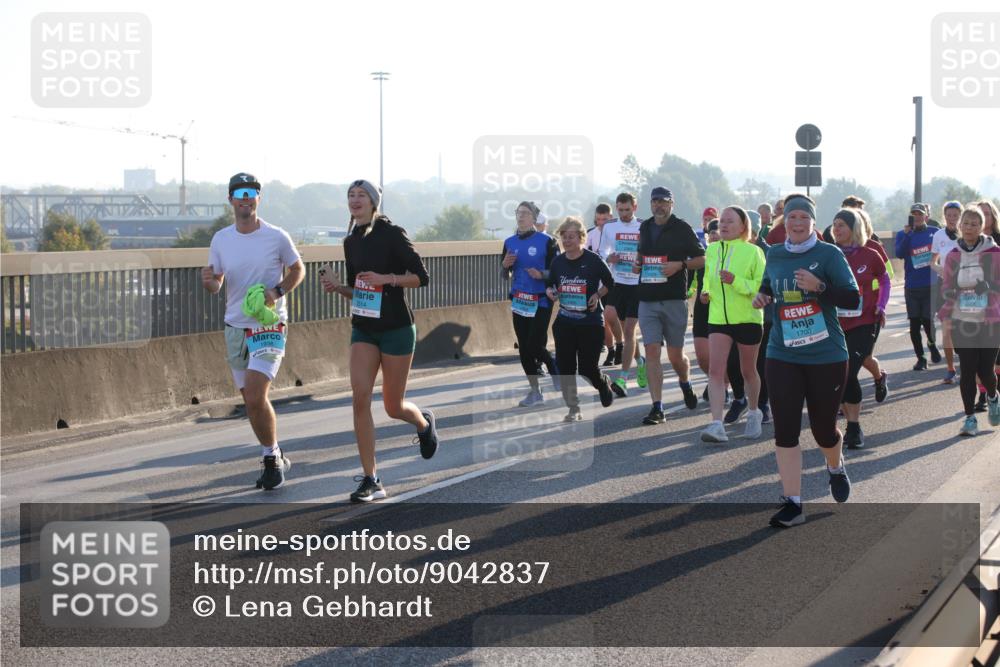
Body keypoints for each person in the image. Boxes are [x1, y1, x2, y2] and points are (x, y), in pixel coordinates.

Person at [320, 179, 438, 503]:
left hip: (397, 327)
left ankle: (423, 423)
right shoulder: (350, 241)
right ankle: (371, 478)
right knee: (360, 398)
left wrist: (388, 279)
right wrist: (337, 287)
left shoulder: (392, 234)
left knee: (392, 406)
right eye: (350, 195)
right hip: (364, 328)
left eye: (361, 195)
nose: (354, 200)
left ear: (374, 203)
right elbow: (358, 290)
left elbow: (421, 277)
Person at [752, 193, 860, 528]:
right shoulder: (776, 254)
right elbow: (769, 287)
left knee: (823, 430)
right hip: (782, 352)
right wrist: (762, 296)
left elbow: (852, 297)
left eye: (804, 218)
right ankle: (793, 503)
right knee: (785, 430)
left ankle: (834, 465)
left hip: (826, 354)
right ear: (785, 222)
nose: (797, 224)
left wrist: (820, 287)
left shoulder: (828, 254)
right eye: (792, 218)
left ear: (813, 222)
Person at [203, 172, 305, 491]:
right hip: (235, 326)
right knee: (250, 401)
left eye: (252, 192)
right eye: (240, 192)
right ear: (231, 199)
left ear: (259, 198)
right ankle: (274, 451)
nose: (246, 197)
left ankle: (271, 462)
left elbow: (298, 269)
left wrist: (276, 292)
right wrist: (210, 283)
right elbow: (217, 282)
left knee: (257, 393)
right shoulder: (221, 239)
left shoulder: (276, 236)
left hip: (269, 325)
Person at [634, 186, 704, 424]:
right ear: (650, 204)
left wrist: (680, 265)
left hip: (674, 299)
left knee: (675, 355)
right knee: (651, 351)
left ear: (672, 204)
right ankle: (657, 407)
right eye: (655, 202)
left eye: (663, 201)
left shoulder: (682, 228)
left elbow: (702, 258)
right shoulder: (644, 227)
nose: (658, 206)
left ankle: (685, 382)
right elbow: (641, 255)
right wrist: (637, 263)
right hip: (647, 299)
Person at [699, 206, 766, 442]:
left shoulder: (754, 252)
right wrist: (705, 292)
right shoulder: (712, 249)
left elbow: (760, 286)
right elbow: (708, 277)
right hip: (718, 318)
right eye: (721, 222)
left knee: (748, 370)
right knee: (716, 371)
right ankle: (716, 424)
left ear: (743, 227)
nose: (724, 225)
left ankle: (755, 412)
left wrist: (735, 281)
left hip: (747, 318)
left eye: (730, 221)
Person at [545, 217, 617, 421]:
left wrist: (597, 295)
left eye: (571, 237)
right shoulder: (558, 262)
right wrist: (550, 291)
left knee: (587, 369)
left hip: (590, 323)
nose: (566, 241)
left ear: (581, 238)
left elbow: (610, 282)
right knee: (566, 368)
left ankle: (602, 383)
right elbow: (550, 284)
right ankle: (573, 408)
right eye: (563, 237)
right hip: (565, 322)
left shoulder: (593, 260)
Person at [937, 205, 1000, 435]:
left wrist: (990, 286)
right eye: (966, 223)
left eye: (975, 224)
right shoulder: (953, 255)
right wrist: (950, 293)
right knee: (968, 369)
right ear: (959, 226)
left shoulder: (994, 253)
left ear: (982, 226)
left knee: (985, 370)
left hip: (990, 319)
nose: (969, 228)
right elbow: (945, 285)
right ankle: (969, 418)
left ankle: (993, 396)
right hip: (962, 317)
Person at [831, 208, 889, 449]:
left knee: (848, 371)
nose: (836, 229)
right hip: (836, 323)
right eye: (834, 224)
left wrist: (881, 305)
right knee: (839, 373)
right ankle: (878, 378)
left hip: (865, 320)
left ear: (854, 228)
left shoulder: (870, 254)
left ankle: (853, 427)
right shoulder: (829, 255)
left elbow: (885, 279)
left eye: (841, 225)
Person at [501, 201, 559, 406]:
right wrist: (505, 266)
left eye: (525, 213)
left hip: (541, 300)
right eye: (518, 212)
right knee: (524, 349)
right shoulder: (509, 242)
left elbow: (558, 272)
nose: (521, 216)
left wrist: (541, 274)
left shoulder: (547, 241)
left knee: (535, 344)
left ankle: (553, 365)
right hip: (519, 300)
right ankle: (536, 392)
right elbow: (504, 274)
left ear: (534, 218)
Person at [598, 192, 646, 396]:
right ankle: (639, 360)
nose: (624, 213)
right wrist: (611, 258)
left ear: (634, 208)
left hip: (636, 284)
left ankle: (623, 378)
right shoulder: (610, 227)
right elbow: (602, 253)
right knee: (611, 317)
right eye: (620, 209)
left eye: (628, 209)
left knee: (629, 333)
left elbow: (651, 253)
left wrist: (640, 262)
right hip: (617, 283)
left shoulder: (643, 226)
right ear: (616, 208)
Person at [896, 202, 941, 370]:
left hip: (930, 284)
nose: (917, 217)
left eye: (920, 214)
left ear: (926, 217)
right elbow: (899, 254)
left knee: (928, 321)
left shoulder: (934, 233)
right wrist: (908, 235)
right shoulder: (903, 234)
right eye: (914, 214)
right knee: (914, 324)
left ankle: (932, 343)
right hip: (912, 286)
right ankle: (920, 358)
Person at [857, 208, 893, 402]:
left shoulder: (874, 248)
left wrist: (879, 302)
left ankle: (879, 377)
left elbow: (888, 277)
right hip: (844, 314)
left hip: (870, 310)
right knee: (844, 359)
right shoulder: (836, 249)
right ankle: (845, 399)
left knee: (863, 357)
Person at [932, 201, 963, 384]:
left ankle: (963, 355)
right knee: (946, 330)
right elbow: (932, 262)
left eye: (956, 215)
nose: (952, 219)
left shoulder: (968, 235)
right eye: (949, 215)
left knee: (962, 330)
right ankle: (950, 369)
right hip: (944, 287)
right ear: (945, 216)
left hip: (965, 288)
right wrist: (941, 270)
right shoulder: (938, 235)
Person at [587, 203, 620, 365]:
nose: (601, 223)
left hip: (616, 282)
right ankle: (611, 350)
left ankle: (621, 346)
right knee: (604, 319)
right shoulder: (589, 235)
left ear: (611, 218)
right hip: (598, 285)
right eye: (598, 219)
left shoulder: (617, 232)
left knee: (615, 318)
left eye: (605, 219)